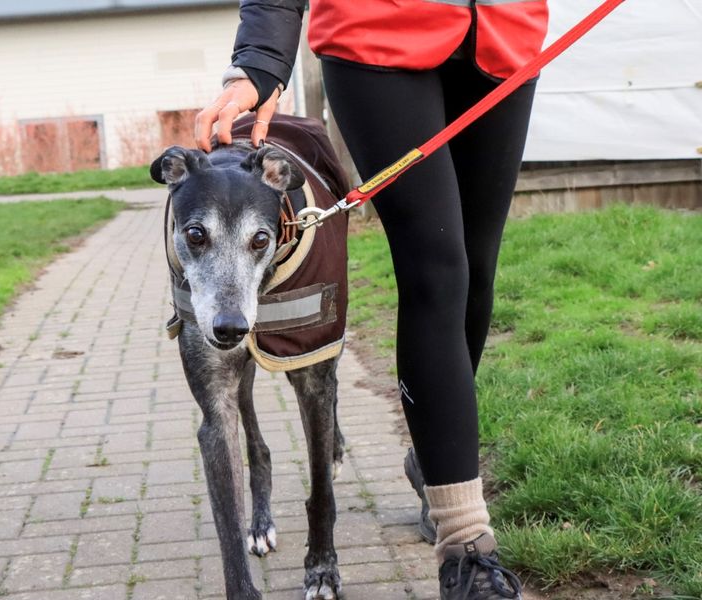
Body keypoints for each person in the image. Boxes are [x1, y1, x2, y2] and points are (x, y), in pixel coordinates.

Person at [195, 1, 549, 599]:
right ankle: (465, 545)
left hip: (504, 32)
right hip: (380, 38)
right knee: (436, 270)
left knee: (476, 272)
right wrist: (258, 62)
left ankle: (432, 459)